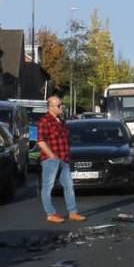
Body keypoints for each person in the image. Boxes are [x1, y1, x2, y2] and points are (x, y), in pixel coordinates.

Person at [37, 95, 85, 223]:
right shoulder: (44, 121)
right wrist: (52, 156)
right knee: (48, 187)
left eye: (61, 104)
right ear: (51, 107)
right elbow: (41, 141)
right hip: (50, 160)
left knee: (69, 186)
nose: (61, 107)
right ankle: (50, 214)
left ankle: (73, 212)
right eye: (58, 105)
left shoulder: (61, 121)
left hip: (64, 158)